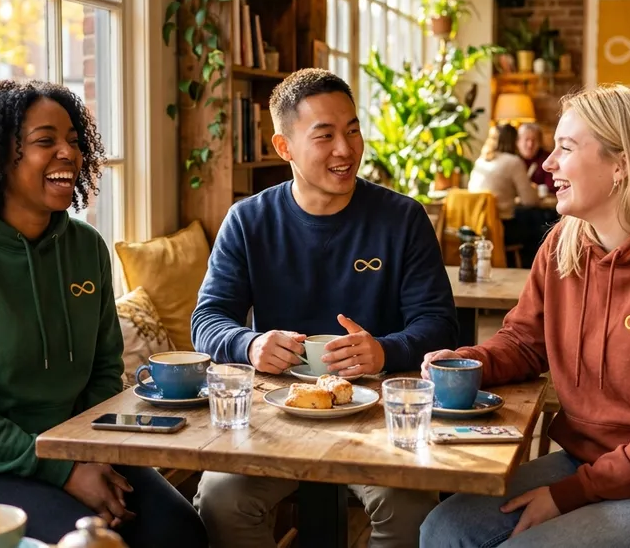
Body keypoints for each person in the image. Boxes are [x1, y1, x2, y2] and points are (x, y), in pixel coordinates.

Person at [418, 84, 630, 547]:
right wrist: (466, 363)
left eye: (566, 148)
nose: (547, 164)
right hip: (594, 463)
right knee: (443, 530)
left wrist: (571, 495)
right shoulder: (567, 240)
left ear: (621, 165)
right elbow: (524, 340)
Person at [0, 80, 206, 546]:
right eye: (46, 141)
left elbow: (104, 367)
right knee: (86, 540)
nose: (69, 153)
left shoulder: (84, 248)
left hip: (70, 445)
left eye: (74, 141)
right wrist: (63, 471)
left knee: (179, 532)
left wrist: (90, 452)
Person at [190, 68, 457, 548]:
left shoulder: (402, 218)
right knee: (220, 500)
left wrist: (384, 351)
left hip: (379, 419)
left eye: (352, 130)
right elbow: (207, 320)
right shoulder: (248, 220)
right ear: (284, 146)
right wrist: (249, 344)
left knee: (411, 507)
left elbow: (439, 325)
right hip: (275, 419)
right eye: (325, 135)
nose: (346, 149)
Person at [469, 123, 540, 266]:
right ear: (514, 141)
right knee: (539, 230)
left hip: (476, 225)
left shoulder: (481, 161)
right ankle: (530, 275)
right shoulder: (513, 162)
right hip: (500, 228)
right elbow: (530, 201)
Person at [516, 123, 555, 193]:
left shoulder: (548, 159)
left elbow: (552, 187)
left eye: (534, 140)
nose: (530, 145)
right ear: (518, 142)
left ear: (540, 143)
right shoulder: (511, 160)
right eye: (526, 139)